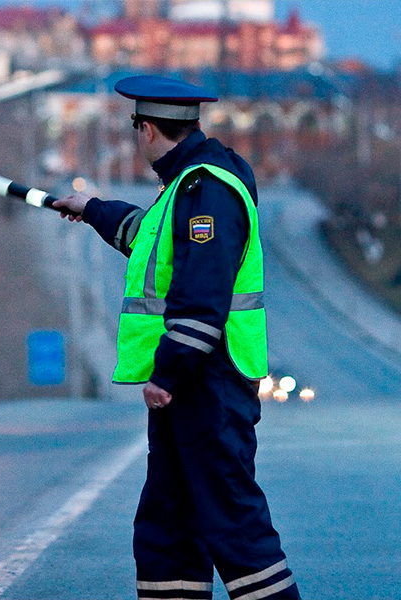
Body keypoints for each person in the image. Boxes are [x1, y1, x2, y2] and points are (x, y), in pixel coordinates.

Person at [53, 75, 302, 600]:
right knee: (169, 525)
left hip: (207, 383)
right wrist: (92, 207)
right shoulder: (189, 185)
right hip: (196, 385)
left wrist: (166, 375)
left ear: (145, 129)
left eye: (135, 127)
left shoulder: (206, 188)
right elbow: (151, 241)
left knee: (233, 523)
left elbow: (202, 294)